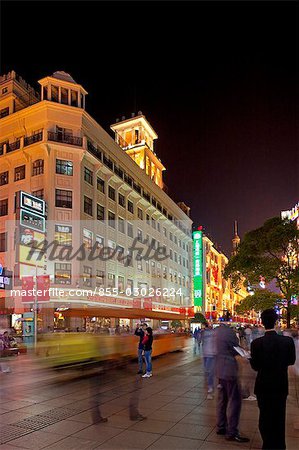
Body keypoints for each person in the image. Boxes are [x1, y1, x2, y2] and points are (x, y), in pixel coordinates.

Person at [250, 309, 296, 450]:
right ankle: (280, 446)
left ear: (262, 323)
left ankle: (267, 444)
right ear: (276, 321)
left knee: (264, 416)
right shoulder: (287, 341)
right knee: (279, 417)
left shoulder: (256, 343)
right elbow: (291, 361)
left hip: (263, 386)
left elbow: (256, 367)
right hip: (280, 385)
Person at [215, 323, 249, 443]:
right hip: (229, 370)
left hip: (219, 369)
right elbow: (235, 349)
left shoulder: (217, 331)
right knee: (235, 401)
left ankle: (221, 426)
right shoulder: (229, 332)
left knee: (222, 399)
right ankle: (232, 432)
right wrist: (245, 354)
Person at [201, 323, 216, 399]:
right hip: (206, 354)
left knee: (209, 371)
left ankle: (210, 386)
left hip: (210, 354)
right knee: (208, 371)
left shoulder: (206, 332)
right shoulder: (205, 332)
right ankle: (210, 385)